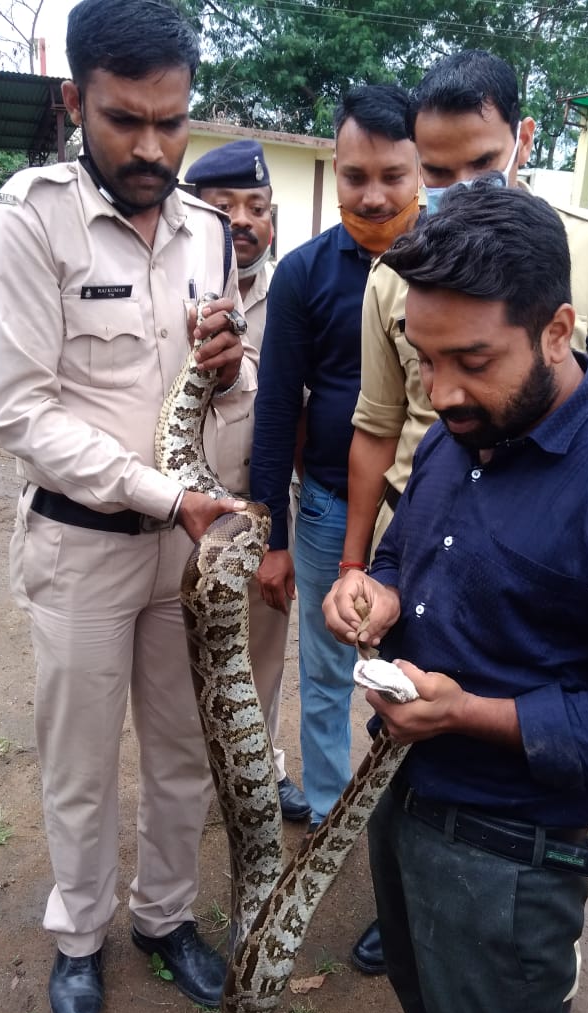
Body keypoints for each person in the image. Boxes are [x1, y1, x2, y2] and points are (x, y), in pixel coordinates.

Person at [323, 179, 588, 1013]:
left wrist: (468, 714)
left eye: (472, 361)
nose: (444, 391)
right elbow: (407, 552)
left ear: (557, 330)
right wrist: (379, 586)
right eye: (426, 360)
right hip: (397, 801)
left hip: (509, 859)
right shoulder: (455, 437)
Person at [0, 1, 256, 1013]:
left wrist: (231, 370)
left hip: (183, 549)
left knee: (183, 748)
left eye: (171, 121)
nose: (150, 146)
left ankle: (166, 919)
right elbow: (17, 409)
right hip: (81, 545)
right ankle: (80, 935)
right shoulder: (23, 220)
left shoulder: (208, 232)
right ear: (73, 100)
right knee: (81, 759)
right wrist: (158, 493)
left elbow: (222, 388)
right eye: (124, 118)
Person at [342, 49, 588, 973]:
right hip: (429, 540)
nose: (454, 191)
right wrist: (370, 574)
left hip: (548, 556)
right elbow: (381, 424)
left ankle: (525, 914)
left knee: (509, 927)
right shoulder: (407, 293)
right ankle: (425, 908)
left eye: (477, 166)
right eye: (433, 174)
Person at [250, 86, 420, 838]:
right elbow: (276, 406)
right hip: (325, 506)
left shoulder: (457, 261)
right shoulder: (305, 275)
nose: (374, 195)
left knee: (421, 671)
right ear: (335, 169)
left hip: (431, 508)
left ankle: (414, 826)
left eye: (393, 175)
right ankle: (326, 811)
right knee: (325, 670)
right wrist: (275, 540)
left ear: (421, 171)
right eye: (355, 176)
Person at [184, 138, 309, 822]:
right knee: (183, 661)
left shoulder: (294, 290)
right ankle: (198, 786)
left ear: (273, 222)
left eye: (256, 207)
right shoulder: (167, 287)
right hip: (178, 509)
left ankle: (264, 768)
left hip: (261, 507)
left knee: (262, 659)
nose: (242, 219)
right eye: (223, 206)